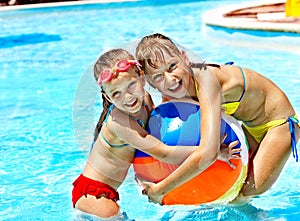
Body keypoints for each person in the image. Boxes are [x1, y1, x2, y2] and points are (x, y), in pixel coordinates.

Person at [72, 48, 238, 218]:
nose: (127, 97)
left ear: (142, 78)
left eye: (131, 85)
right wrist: (212, 152)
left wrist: (217, 74)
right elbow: (164, 152)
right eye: (116, 93)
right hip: (93, 192)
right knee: (114, 215)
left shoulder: (145, 100)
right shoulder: (119, 123)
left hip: (106, 190)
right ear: (108, 98)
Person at [135, 33, 300, 204]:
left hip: (278, 123)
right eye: (158, 77)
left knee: (246, 192)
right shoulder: (171, 90)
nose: (170, 79)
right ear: (151, 83)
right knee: (232, 193)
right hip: (250, 125)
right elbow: (167, 139)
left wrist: (160, 191)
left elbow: (207, 154)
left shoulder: (207, 81)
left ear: (184, 58)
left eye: (172, 67)